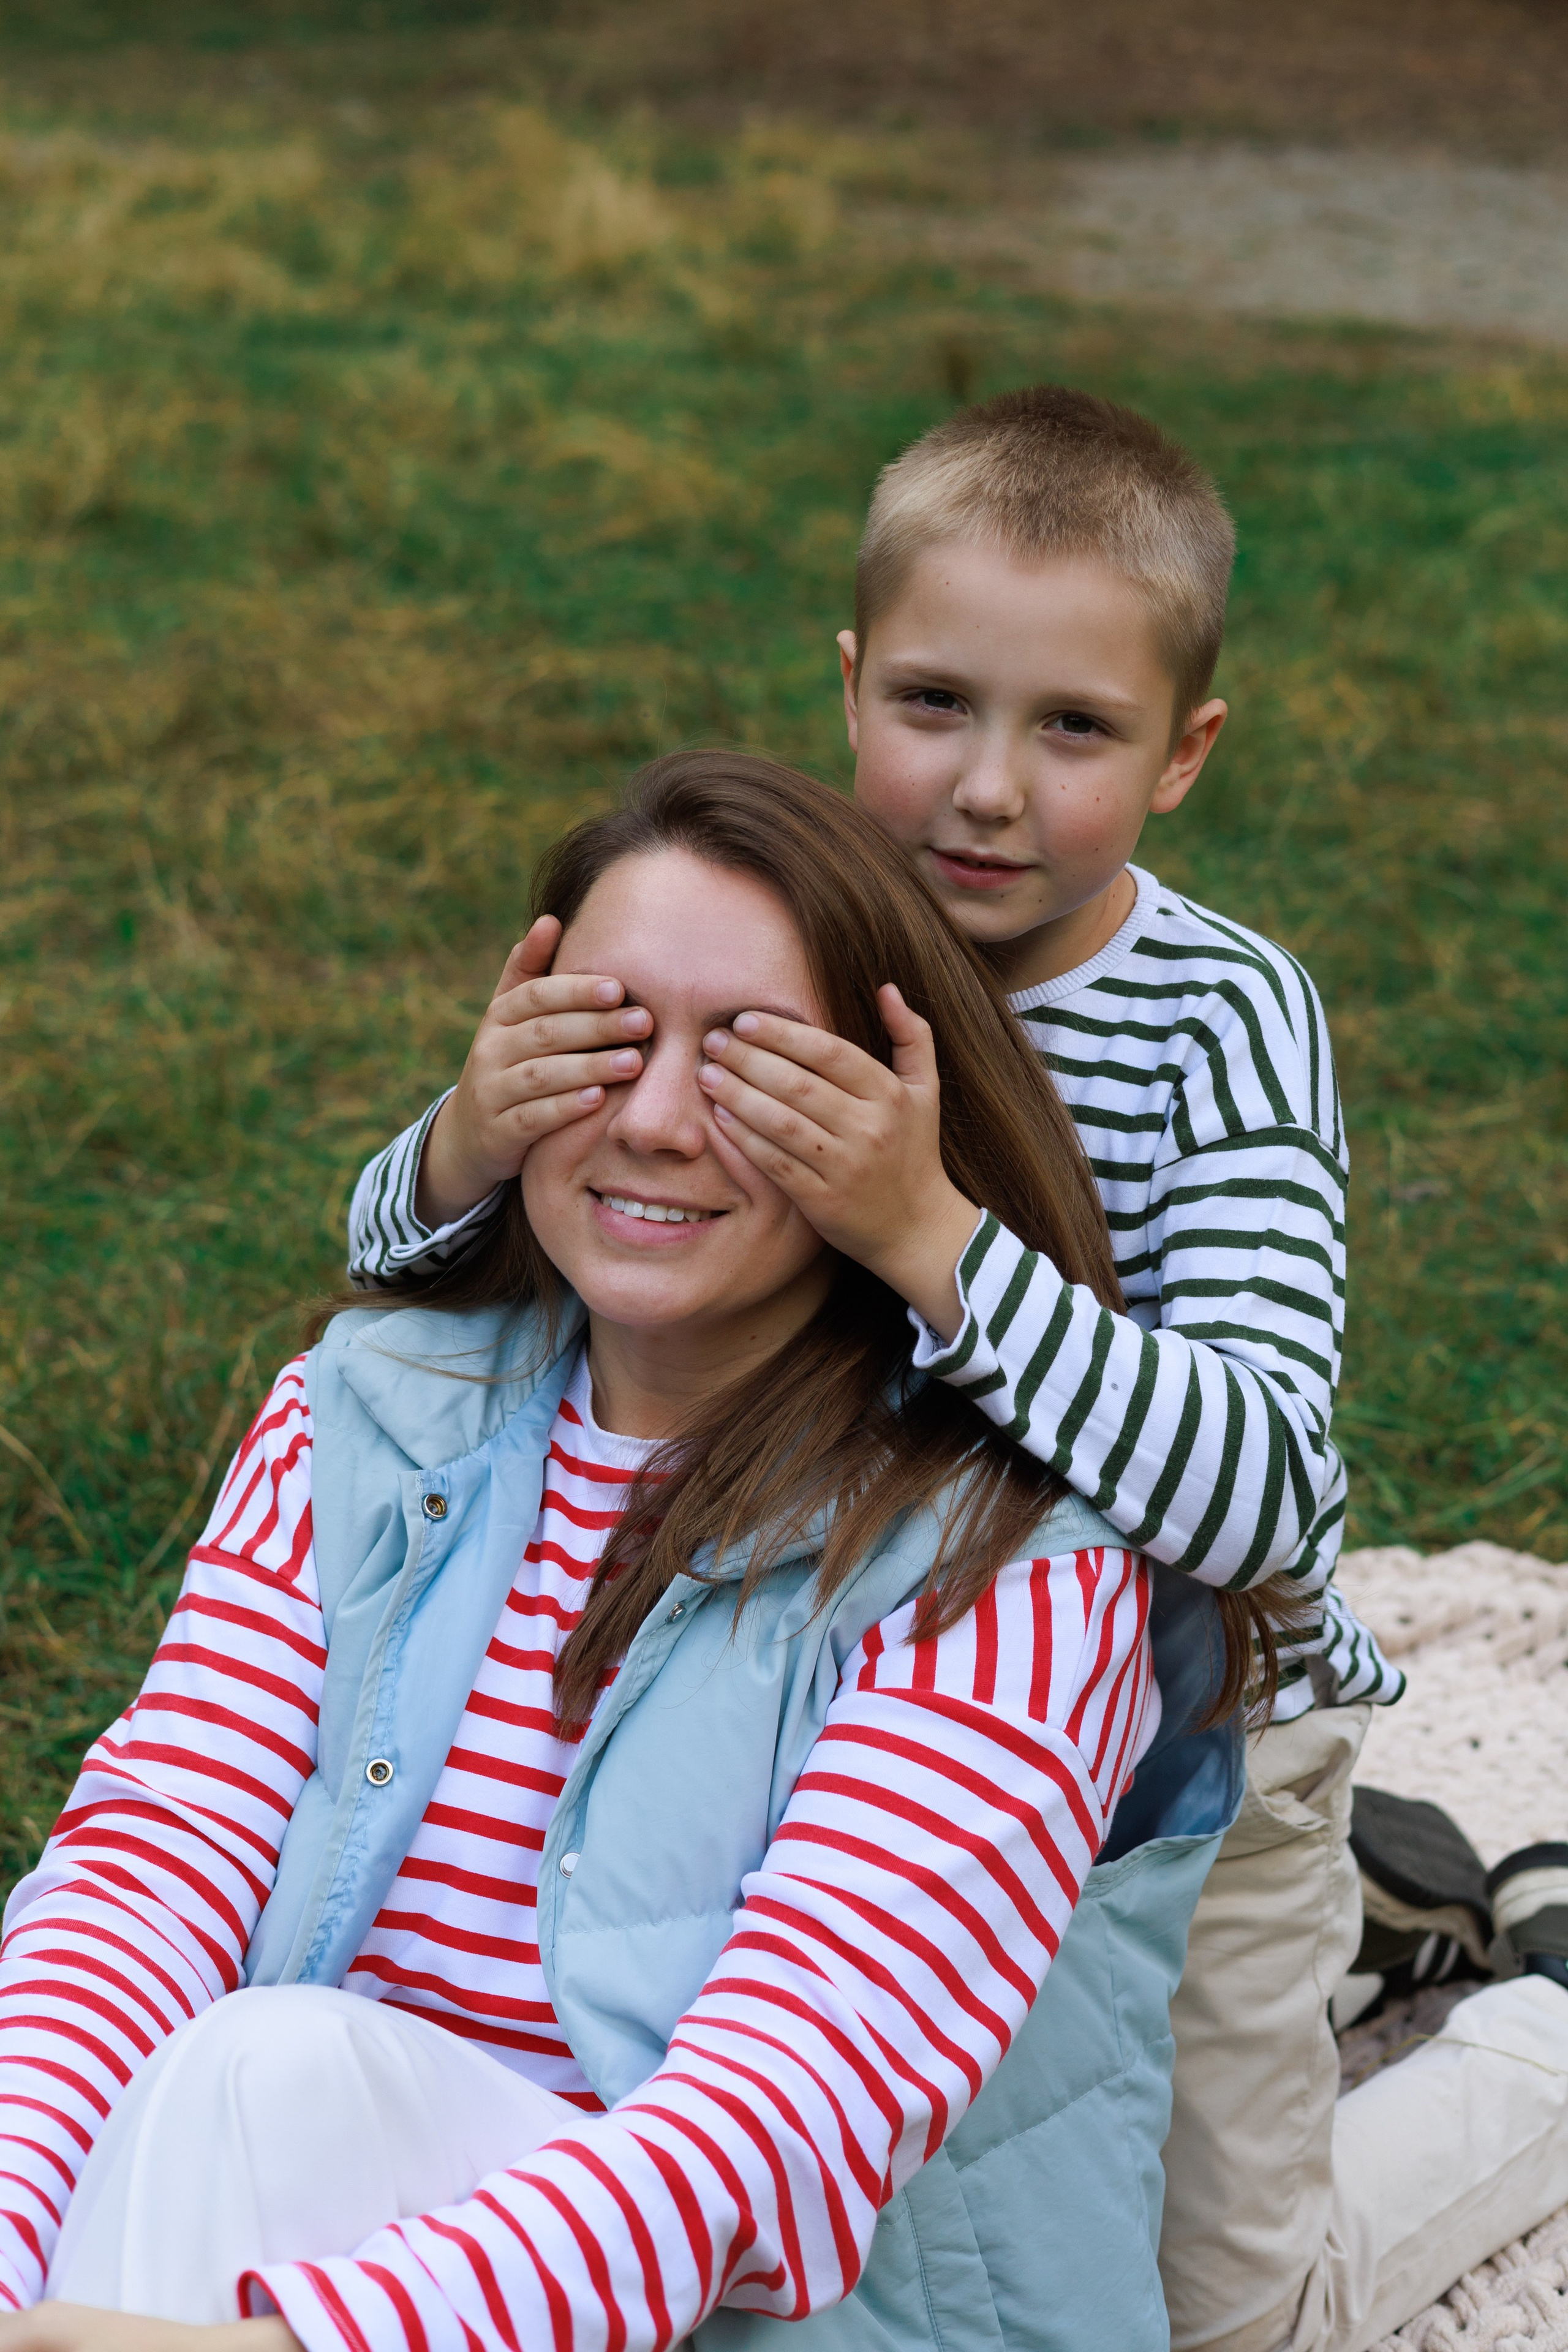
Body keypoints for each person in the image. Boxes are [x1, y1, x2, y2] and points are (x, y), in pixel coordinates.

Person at [338, 390, 1568, 2351]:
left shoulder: (1218, 1027)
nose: (986, 788)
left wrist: (927, 1237)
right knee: (881, 2200)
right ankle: (1388, 1914)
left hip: (1190, 1747)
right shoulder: (797, 931)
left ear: (1187, 753)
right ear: (847, 689)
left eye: (1073, 729)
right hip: (863, 1716)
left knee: (1231, 2316)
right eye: (933, 704)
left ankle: (1529, 2038)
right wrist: (468, 1141)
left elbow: (1266, 1495)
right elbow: (407, 1262)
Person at [0, 755, 1262, 2352]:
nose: (658, 1123)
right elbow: (141, 1879)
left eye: (754, 1067)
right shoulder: (363, 1419)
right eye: (605, 1039)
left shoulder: (1007, 1558)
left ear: (888, 1118)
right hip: (322, 2224)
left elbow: (776, 2114)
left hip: (752, 2316)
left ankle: (1517, 2073)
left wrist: (296, 2347)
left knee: (269, 2074)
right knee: (251, 2072)